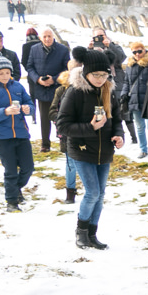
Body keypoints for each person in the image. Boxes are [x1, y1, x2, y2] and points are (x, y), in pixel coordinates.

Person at [56, 47, 124, 250]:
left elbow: (117, 118)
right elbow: (62, 125)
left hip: (104, 151)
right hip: (81, 149)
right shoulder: (75, 92)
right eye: (96, 75)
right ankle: (81, 231)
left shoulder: (108, 91)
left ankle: (92, 233)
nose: (101, 79)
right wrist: (90, 127)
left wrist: (118, 135)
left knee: (100, 194)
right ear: (86, 72)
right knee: (92, 192)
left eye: (105, 75)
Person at [0, 51, 35, 213]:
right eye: (0, 73)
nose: (4, 76)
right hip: (1, 136)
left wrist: (27, 109)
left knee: (28, 168)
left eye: (7, 73)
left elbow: (30, 105)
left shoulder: (18, 86)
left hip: (21, 134)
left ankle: (15, 188)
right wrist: (5, 112)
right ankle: (11, 202)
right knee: (10, 170)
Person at [26, 28, 70, 152]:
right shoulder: (34, 49)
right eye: (44, 36)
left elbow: (67, 69)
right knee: (44, 118)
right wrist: (38, 79)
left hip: (58, 90)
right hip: (41, 89)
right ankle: (45, 144)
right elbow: (29, 67)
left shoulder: (62, 50)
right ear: (40, 38)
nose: (47, 39)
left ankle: (64, 143)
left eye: (49, 36)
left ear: (53, 36)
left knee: (61, 116)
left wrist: (55, 79)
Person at [90, 28, 135, 146]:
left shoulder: (114, 46)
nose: (100, 38)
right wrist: (89, 49)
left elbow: (121, 58)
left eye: (102, 35)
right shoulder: (92, 49)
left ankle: (133, 137)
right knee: (103, 109)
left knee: (124, 111)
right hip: (100, 84)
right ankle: (104, 135)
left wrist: (109, 45)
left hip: (117, 83)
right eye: (97, 36)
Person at [50, 56, 82, 204]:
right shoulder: (61, 90)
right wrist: (64, 120)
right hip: (67, 132)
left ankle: (91, 191)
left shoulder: (88, 89)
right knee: (70, 162)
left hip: (85, 130)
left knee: (86, 161)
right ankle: (70, 192)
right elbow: (52, 111)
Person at [121, 42, 148, 160]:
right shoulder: (130, 65)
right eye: (134, 52)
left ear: (144, 50)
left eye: (139, 51)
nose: (137, 54)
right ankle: (143, 150)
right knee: (140, 127)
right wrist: (124, 94)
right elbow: (126, 82)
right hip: (134, 99)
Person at [20, 27, 41, 124]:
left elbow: (24, 61)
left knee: (32, 96)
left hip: (31, 75)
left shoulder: (26, 46)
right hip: (42, 74)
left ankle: (34, 117)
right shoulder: (41, 44)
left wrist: (29, 70)